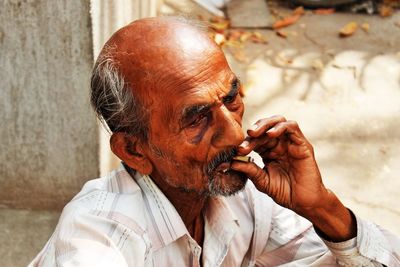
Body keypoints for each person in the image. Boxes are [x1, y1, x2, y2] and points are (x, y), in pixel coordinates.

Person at [30, 16, 399, 267]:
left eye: (232, 99)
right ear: (133, 150)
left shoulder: (244, 197)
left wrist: (321, 207)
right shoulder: (97, 237)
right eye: (196, 118)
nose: (236, 134)